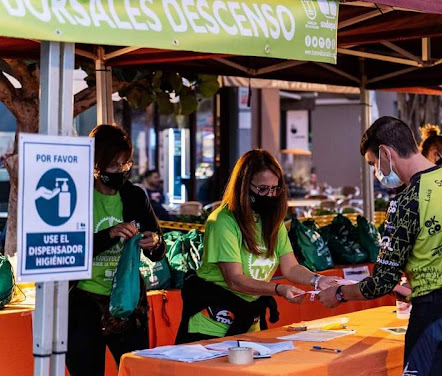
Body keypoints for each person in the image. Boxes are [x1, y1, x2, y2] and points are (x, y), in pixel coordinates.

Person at [319, 116, 442, 375]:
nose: (377, 172)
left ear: (385, 153)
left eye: (374, 164)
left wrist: (338, 293)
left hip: (435, 318)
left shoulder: (407, 200)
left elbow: (380, 282)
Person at [176, 149, 340, 343]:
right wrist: (279, 289)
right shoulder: (222, 221)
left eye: (275, 189)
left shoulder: (272, 222)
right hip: (211, 326)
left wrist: (317, 280)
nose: (269, 195)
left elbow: (291, 267)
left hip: (248, 323)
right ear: (244, 186)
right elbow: (235, 280)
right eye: (262, 189)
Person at [67, 124, 166, 376]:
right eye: (113, 165)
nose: (121, 171)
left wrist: (154, 242)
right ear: (96, 164)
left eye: (126, 164)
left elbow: (158, 248)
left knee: (136, 370)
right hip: (83, 305)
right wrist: (109, 235)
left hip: (128, 303)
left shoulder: (134, 196)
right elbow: (69, 250)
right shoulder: (76, 195)